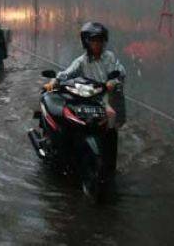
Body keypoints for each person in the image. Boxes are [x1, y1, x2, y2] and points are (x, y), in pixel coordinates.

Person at [43, 21, 126, 175]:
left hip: (105, 99)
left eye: (100, 40)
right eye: (94, 40)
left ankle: (110, 164)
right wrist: (55, 81)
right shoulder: (81, 61)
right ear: (86, 42)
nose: (98, 44)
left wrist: (112, 82)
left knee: (111, 124)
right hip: (86, 99)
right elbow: (67, 72)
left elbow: (120, 72)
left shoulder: (109, 57)